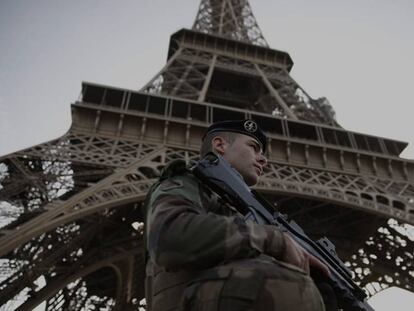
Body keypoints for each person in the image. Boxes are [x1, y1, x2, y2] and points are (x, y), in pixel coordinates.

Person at [144, 119, 331, 311]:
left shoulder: (247, 210)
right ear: (220, 145)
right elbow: (169, 235)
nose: (263, 159)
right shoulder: (188, 183)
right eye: (254, 147)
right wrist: (275, 240)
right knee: (281, 284)